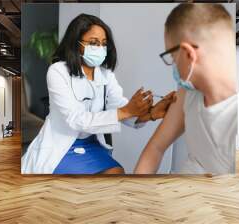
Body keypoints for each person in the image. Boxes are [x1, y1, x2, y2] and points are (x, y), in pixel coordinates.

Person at [21, 14, 175, 174]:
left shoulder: (105, 75)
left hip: (90, 144)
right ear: (76, 44)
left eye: (103, 44)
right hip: (61, 145)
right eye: (93, 43)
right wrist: (126, 110)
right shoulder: (58, 71)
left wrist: (150, 114)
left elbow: (122, 108)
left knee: (116, 174)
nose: (100, 49)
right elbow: (75, 119)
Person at [134, 4, 238, 175]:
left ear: (189, 54)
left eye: (173, 57)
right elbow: (156, 148)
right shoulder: (187, 93)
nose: (173, 65)